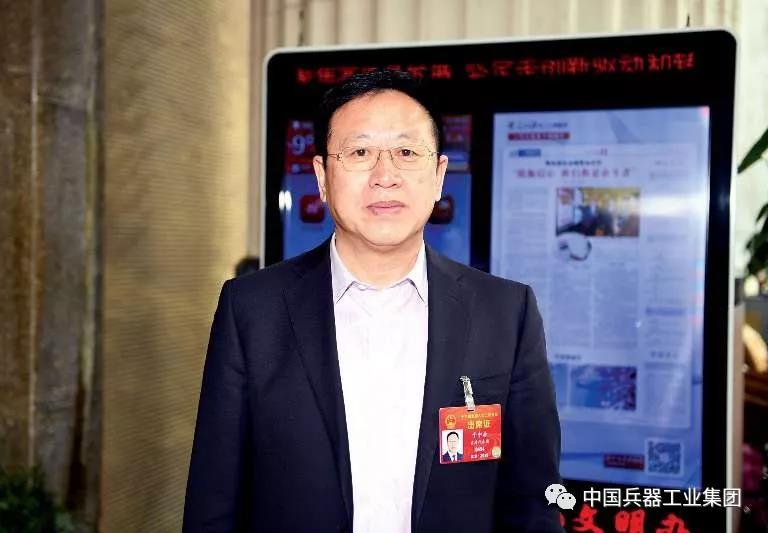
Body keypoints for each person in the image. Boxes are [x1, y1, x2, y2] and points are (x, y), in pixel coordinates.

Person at [183, 70, 562, 532]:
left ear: (439, 176)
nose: (385, 176)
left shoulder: (506, 313)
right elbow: (214, 504)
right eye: (360, 153)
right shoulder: (251, 310)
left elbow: (533, 504)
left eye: (406, 153)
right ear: (322, 177)